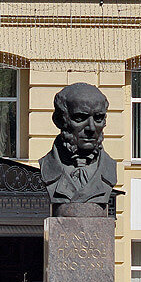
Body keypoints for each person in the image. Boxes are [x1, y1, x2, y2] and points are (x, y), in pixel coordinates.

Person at [38, 83, 117, 212]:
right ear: (59, 120)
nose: (91, 128)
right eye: (80, 118)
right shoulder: (47, 167)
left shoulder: (110, 168)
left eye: (98, 118)